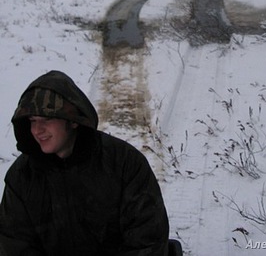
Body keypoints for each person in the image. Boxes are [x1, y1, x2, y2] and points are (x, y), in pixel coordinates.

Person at [0, 70, 170, 256]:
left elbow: (147, 241)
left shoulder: (124, 163)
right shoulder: (22, 176)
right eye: (33, 120)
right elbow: (14, 244)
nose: (37, 130)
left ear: (73, 121)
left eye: (47, 119)